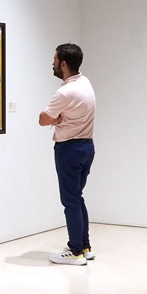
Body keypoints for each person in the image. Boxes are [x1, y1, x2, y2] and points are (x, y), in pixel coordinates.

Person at [38, 43, 96, 265]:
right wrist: (58, 117)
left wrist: (54, 118)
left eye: (54, 59)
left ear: (63, 63)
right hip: (87, 147)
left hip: (69, 149)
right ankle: (84, 245)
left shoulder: (64, 92)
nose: (52, 63)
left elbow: (43, 119)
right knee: (77, 197)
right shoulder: (85, 82)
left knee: (70, 200)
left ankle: (75, 251)